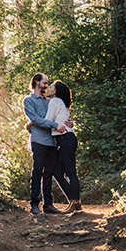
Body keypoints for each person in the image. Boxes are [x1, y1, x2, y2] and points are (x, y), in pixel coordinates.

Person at [23, 73, 67, 215]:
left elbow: (58, 115)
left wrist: (66, 123)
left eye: (47, 83)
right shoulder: (28, 101)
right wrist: (54, 124)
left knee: (48, 173)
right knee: (37, 171)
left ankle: (48, 205)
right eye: (44, 83)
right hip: (39, 140)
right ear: (36, 82)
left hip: (52, 141)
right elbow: (36, 119)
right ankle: (34, 204)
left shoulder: (50, 101)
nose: (46, 86)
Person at [46, 80, 81, 212]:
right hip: (67, 140)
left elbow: (48, 120)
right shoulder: (60, 103)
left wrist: (32, 123)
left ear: (56, 91)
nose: (48, 89)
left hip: (66, 139)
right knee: (58, 172)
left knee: (71, 172)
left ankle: (75, 201)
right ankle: (74, 200)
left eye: (50, 87)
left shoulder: (55, 101)